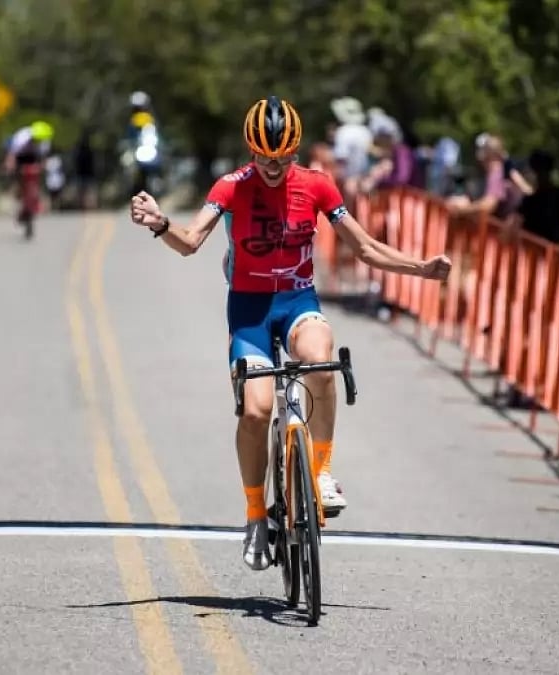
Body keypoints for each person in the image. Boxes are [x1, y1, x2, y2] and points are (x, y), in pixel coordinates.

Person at [129, 95, 452, 571]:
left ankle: (320, 471)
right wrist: (160, 225)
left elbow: (364, 248)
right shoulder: (231, 187)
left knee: (321, 360)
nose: (274, 167)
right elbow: (191, 241)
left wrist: (421, 269)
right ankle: (256, 515)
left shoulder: (317, 185)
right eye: (264, 157)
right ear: (251, 151)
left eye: (282, 158)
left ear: (295, 152)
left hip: (298, 302)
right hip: (250, 312)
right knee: (257, 411)